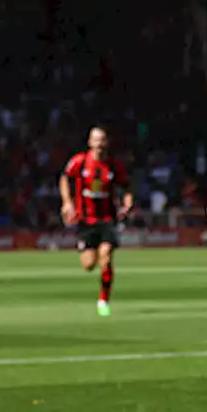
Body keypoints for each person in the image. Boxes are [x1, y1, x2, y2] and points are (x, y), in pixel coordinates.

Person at [59, 127, 132, 317]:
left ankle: (103, 300)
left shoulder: (114, 166)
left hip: (107, 219)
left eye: (102, 140)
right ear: (90, 142)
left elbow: (127, 186)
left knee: (106, 257)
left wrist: (127, 203)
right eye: (95, 140)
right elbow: (65, 178)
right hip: (85, 220)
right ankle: (94, 264)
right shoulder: (80, 162)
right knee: (89, 265)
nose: (99, 144)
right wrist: (67, 203)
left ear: (106, 143)